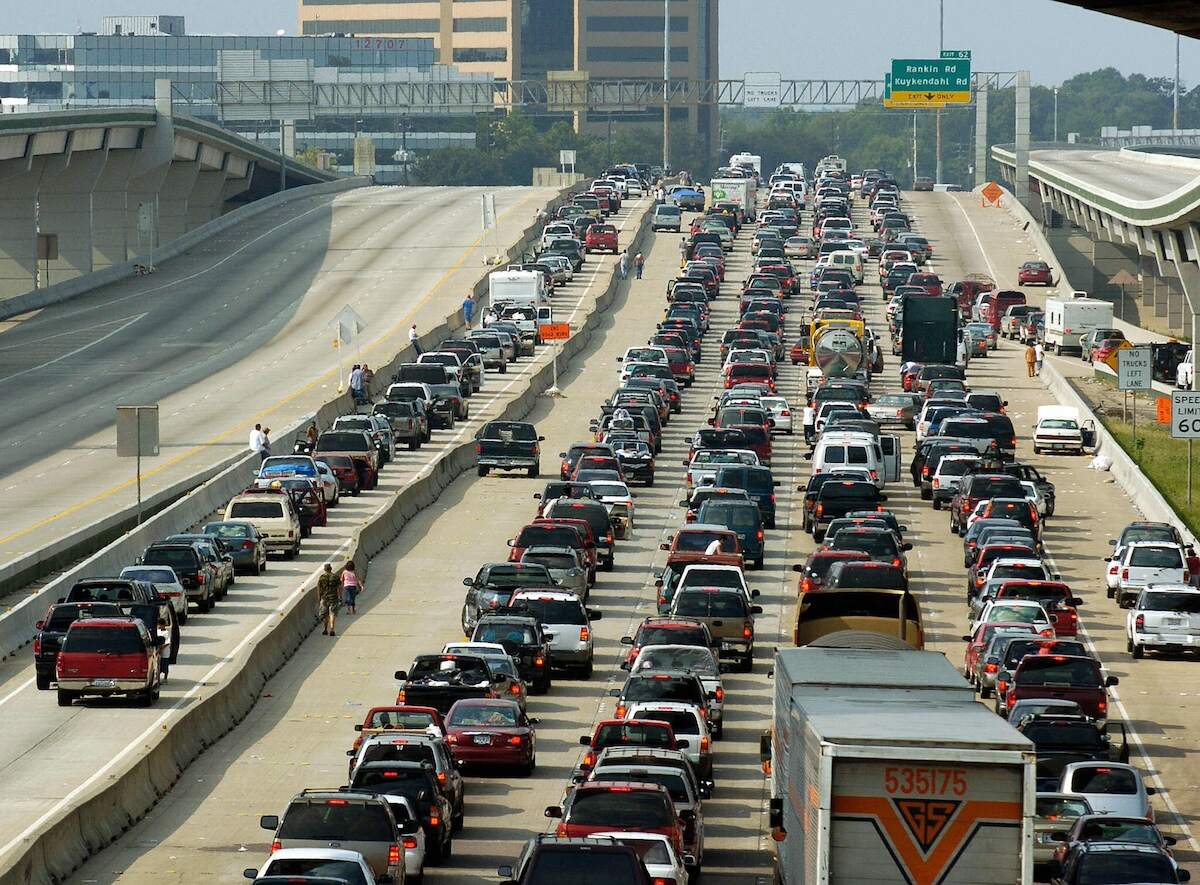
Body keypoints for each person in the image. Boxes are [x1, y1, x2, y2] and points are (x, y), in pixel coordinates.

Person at [317, 563, 340, 636]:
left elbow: (318, 588)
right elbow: (339, 587)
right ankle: (332, 629)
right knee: (332, 614)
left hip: (324, 598)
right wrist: (340, 596)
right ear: (331, 569)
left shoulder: (321, 577)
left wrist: (319, 597)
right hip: (333, 597)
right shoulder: (335, 577)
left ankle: (325, 629)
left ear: (324, 569)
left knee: (325, 614)